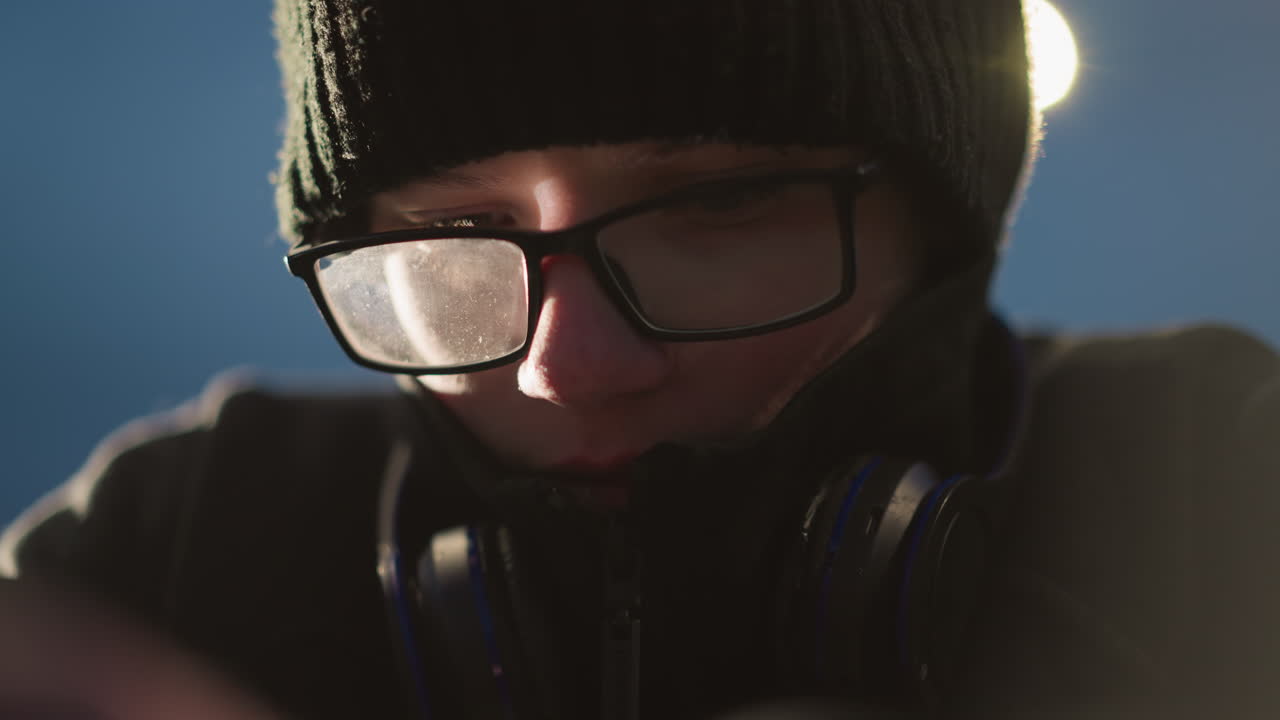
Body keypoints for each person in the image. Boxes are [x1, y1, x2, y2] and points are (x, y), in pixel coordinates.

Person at [2, 0, 1278, 718]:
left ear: (943, 216)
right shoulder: (175, 544)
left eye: (713, 210)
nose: (570, 367)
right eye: (450, 237)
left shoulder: (1213, 477)